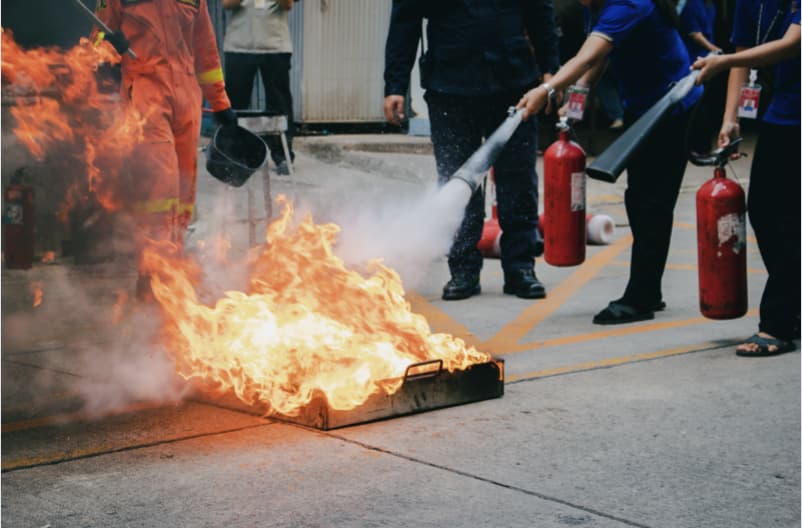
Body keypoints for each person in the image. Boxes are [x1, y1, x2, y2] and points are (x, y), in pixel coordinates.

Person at [518, 0, 703, 324]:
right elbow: (600, 55)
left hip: (670, 107)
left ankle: (641, 298)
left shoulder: (629, 4)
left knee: (652, 202)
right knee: (639, 198)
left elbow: (588, 54)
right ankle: (649, 289)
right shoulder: (599, 7)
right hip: (643, 106)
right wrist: (582, 89)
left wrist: (546, 89)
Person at [383, 0, 560, 301]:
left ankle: (520, 268)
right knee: (457, 183)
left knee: (517, 180)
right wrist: (395, 85)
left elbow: (539, 11)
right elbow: (405, 20)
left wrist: (550, 70)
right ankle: (463, 270)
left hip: (513, 82)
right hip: (450, 85)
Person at [93, 0, 237, 298]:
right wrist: (109, 44)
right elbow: (95, 40)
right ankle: (152, 273)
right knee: (161, 187)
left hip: (187, 97)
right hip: (146, 91)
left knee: (185, 190)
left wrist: (221, 103)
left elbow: (205, 51)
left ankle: (173, 265)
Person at [691, 1, 800, 356]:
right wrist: (730, 118)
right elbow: (742, 54)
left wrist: (722, 62)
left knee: (786, 218)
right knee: (766, 212)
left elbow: (793, 43)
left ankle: (779, 321)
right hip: (785, 109)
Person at [222, 0, 296, 176]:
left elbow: (287, 5)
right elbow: (226, 4)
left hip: (275, 45)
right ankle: (233, 155)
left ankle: (282, 156)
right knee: (235, 104)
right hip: (239, 46)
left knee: (280, 105)